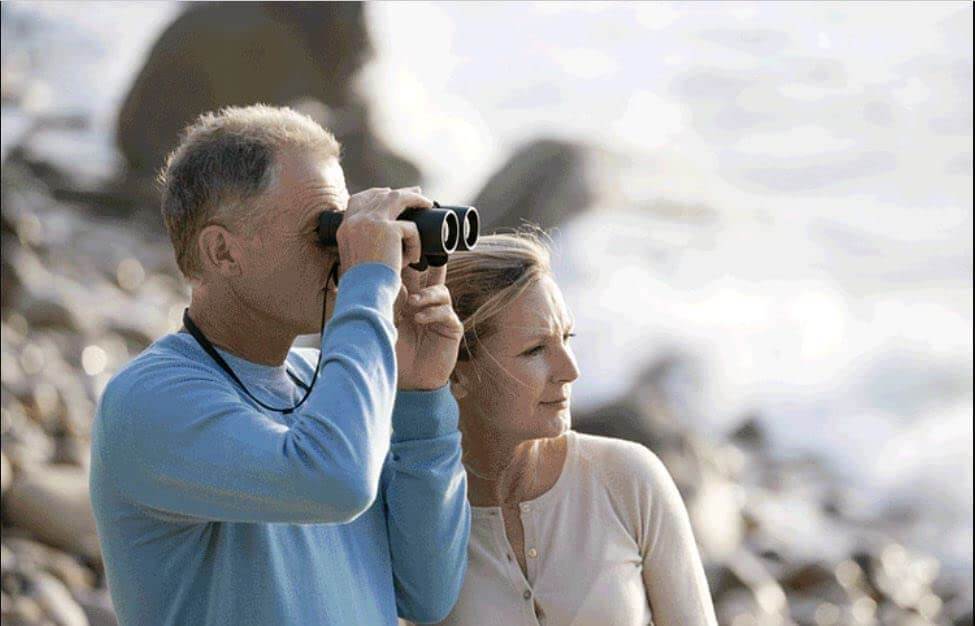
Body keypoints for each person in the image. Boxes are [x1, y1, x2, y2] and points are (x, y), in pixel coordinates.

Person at [89, 104, 470, 626]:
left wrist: (422, 398)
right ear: (222, 252)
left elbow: (427, 591)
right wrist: (368, 290)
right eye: (325, 230)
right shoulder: (149, 401)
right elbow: (336, 481)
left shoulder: (332, 381)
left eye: (345, 226)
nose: (342, 252)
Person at [428, 232, 718, 626]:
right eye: (535, 350)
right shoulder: (418, 518)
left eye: (567, 339)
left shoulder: (628, 479)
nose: (570, 370)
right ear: (457, 372)